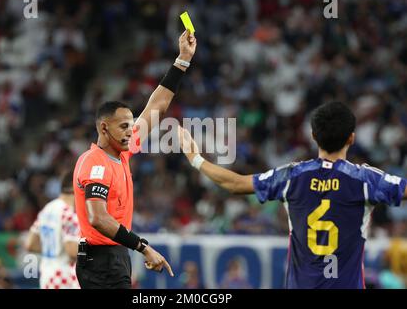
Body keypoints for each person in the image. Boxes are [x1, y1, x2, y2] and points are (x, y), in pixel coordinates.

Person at [178, 101, 407, 289]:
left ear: (313, 136)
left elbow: (236, 183)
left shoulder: (292, 176)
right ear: (351, 138)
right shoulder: (365, 180)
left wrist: (195, 158)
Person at [73, 30, 196, 289]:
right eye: (124, 127)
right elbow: (98, 218)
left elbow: (156, 107)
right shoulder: (96, 164)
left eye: (131, 125)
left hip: (113, 258)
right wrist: (143, 247)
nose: (131, 132)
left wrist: (182, 60)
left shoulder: (122, 151)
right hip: (101, 263)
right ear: (104, 128)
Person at [25, 171, 80, 289]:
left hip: (46, 276)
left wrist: (54, 249)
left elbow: (30, 244)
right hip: (64, 277)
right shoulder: (68, 213)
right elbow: (71, 250)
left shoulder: (47, 209)